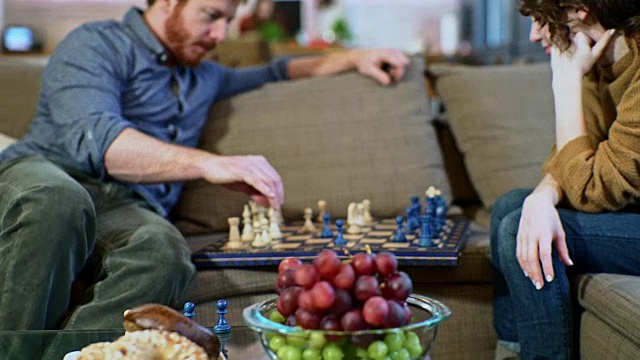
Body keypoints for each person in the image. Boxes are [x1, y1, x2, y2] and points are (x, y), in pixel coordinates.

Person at [0, 0, 410, 333]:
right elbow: (98, 141)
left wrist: (355, 56)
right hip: (47, 173)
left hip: (125, 204)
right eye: (211, 15)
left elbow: (277, 70)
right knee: (57, 201)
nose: (219, 36)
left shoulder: (205, 76)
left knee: (165, 253)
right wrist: (210, 164)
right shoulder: (95, 44)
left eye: (228, 21)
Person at [491, 1, 640, 358]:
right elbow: (571, 160)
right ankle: (514, 351)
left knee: (515, 230)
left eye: (541, 19)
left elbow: (591, 189)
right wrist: (540, 198)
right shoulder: (600, 57)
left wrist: (566, 82)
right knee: (511, 207)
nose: (533, 33)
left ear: (580, 9)